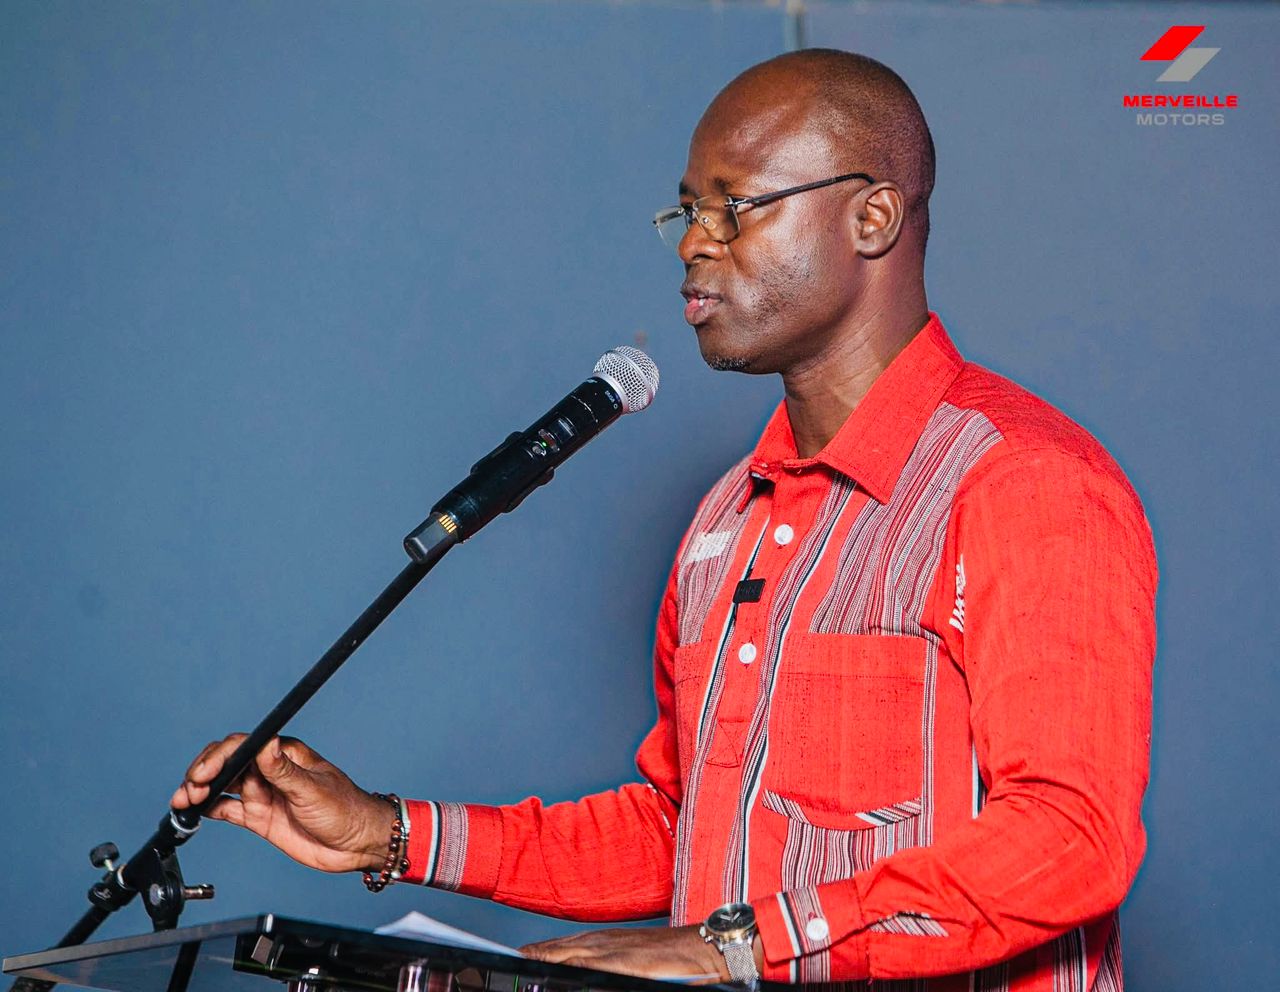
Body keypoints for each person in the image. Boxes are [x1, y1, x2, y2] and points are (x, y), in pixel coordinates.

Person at [173, 49, 1157, 992]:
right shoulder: (728, 518)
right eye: (687, 211)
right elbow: (685, 829)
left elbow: (1069, 839)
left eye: (734, 205)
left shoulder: (1022, 481)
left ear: (871, 217)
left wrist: (732, 949)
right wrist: (386, 833)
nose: (694, 242)